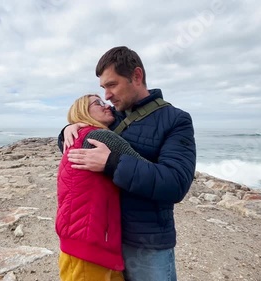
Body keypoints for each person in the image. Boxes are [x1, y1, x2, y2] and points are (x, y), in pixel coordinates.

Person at [60, 46, 196, 281]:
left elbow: (176, 184)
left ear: (136, 76)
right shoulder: (112, 117)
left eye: (112, 85)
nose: (107, 96)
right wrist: (68, 129)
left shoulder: (176, 120)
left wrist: (112, 163)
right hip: (107, 237)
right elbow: (81, 144)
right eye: (104, 88)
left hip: (147, 243)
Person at [56, 94, 151, 281]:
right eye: (98, 103)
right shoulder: (100, 136)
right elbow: (145, 171)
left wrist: (68, 127)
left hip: (80, 241)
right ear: (83, 111)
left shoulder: (76, 137)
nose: (106, 105)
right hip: (90, 246)